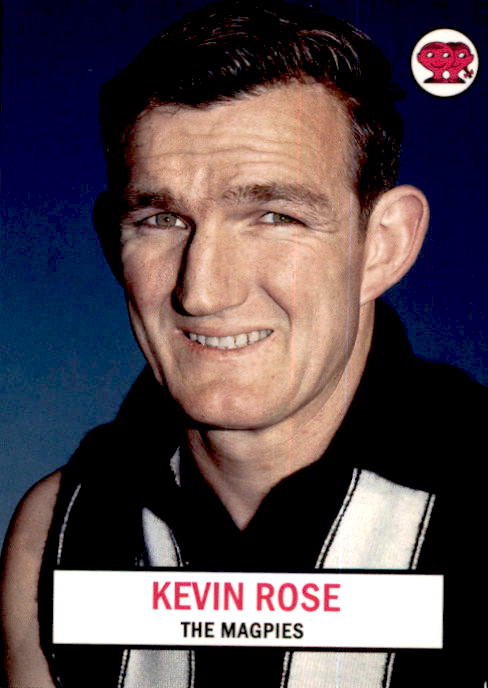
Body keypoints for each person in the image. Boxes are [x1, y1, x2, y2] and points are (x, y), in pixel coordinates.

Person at [1, 1, 485, 686]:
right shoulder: (59, 530)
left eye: (273, 216)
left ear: (383, 246)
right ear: (114, 241)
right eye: (162, 219)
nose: (203, 291)